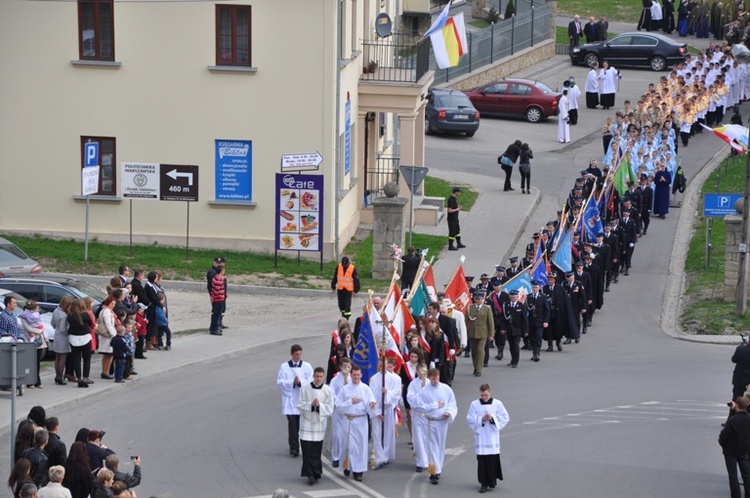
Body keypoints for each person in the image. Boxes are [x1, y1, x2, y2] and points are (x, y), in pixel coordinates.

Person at [334, 364, 377, 482]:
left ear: (361, 375)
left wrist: (372, 405)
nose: (356, 377)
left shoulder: (366, 389)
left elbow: (371, 403)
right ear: (351, 375)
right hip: (348, 420)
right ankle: (347, 465)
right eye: (354, 375)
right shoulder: (345, 389)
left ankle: (358, 471)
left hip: (361, 420)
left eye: (358, 375)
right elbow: (338, 405)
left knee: (360, 446)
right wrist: (350, 402)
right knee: (348, 445)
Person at [416, 368, 457, 485]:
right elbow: (419, 407)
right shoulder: (424, 391)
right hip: (430, 422)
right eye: (433, 379)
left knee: (440, 446)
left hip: (442, 422)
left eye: (437, 378)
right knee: (431, 446)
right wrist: (434, 406)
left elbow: (452, 404)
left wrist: (449, 412)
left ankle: (438, 468)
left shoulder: (446, 389)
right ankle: (433, 472)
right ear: (429, 378)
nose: (435, 381)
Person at [466, 384, 510, 494]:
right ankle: (483, 483)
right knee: (482, 461)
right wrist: (482, 418)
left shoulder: (497, 404)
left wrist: (493, 419)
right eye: (482, 395)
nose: (484, 397)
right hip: (481, 436)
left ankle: (492, 481)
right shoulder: (474, 404)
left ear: (490, 392)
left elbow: (505, 417)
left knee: (492, 459)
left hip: (492, 436)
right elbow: (470, 419)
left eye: (486, 395)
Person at [298, 366, 334, 485]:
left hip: (319, 424)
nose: (318, 379)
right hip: (307, 424)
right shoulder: (305, 388)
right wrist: (311, 405)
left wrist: (319, 406)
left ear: (323, 377)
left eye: (320, 376)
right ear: (313, 376)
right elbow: (300, 404)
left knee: (316, 450)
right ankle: (309, 474)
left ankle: (317, 472)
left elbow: (330, 408)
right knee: (307, 450)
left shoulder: (327, 390)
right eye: (316, 376)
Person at [277, 344, 314, 458]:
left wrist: (299, 382)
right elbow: (279, 382)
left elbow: (311, 380)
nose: (298, 356)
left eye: (300, 354)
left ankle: (303, 445)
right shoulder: (284, 367)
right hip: (289, 399)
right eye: (296, 354)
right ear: (291, 354)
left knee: (300, 423)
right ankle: (294, 447)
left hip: (302, 399)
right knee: (292, 422)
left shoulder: (307, 366)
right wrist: (292, 382)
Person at [369, 357, 402, 469]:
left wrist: (387, 393)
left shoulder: (395, 379)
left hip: (388, 409)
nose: (383, 368)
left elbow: (397, 394)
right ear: (378, 366)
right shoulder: (374, 379)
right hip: (377, 410)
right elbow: (371, 396)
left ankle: (386, 455)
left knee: (387, 433)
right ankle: (379, 455)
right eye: (380, 366)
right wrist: (378, 411)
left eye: (385, 365)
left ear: (388, 365)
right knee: (376, 433)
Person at [719, 396, 750, 498]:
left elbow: (723, 435)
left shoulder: (733, 420)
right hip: (744, 449)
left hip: (731, 450)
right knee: (746, 474)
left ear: (736, 405)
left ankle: (736, 495)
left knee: (733, 475)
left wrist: (723, 444)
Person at [329, 357, 352, 468]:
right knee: (337, 435)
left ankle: (346, 456)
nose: (346, 369)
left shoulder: (352, 379)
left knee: (347, 435)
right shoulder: (335, 380)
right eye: (344, 367)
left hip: (349, 412)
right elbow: (332, 394)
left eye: (348, 367)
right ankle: (336, 457)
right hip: (338, 411)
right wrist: (339, 402)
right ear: (340, 367)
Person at [465, 290, 494, 376]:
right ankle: (476, 367)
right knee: (474, 352)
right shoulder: (470, 308)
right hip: (472, 333)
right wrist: (463, 333)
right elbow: (466, 321)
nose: (477, 300)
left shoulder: (487, 308)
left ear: (482, 299)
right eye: (476, 299)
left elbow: (490, 322)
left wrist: (491, 334)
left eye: (479, 299)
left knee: (480, 351)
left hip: (483, 333)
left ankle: (479, 370)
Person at [19, 300, 47, 389]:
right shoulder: (24, 316)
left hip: (39, 340)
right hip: (30, 341)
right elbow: (28, 328)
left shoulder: (37, 315)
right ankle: (30, 382)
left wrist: (40, 331)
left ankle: (37, 381)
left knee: (37, 362)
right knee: (30, 362)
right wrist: (40, 331)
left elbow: (41, 325)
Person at [67, 300, 94, 388]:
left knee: (76, 359)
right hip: (85, 337)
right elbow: (90, 323)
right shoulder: (85, 315)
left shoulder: (70, 316)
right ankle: (86, 377)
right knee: (86, 359)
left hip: (73, 338)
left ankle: (79, 378)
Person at [500, 290, 529, 367]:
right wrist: (502, 328)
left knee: (516, 345)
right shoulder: (506, 305)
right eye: (511, 297)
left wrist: (526, 330)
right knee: (511, 345)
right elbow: (502, 318)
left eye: (514, 297)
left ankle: (515, 362)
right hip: (509, 329)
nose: (513, 298)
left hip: (518, 329)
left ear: (517, 297)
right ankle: (512, 360)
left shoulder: (521, 305)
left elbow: (524, 319)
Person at [51, 297, 73, 385]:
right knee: (62, 358)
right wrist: (70, 331)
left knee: (58, 357)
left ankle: (57, 375)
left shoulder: (56, 311)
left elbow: (52, 323)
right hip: (63, 337)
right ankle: (60, 377)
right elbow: (63, 329)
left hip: (56, 335)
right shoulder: (64, 315)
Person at [526, 281, 550, 362]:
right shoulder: (528, 297)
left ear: (539, 288)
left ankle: (537, 353)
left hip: (540, 321)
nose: (535, 289)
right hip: (531, 321)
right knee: (532, 337)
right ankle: (534, 352)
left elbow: (547, 310)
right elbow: (526, 309)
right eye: (533, 287)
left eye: (536, 287)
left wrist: (546, 321)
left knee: (538, 336)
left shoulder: (543, 297)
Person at [96, 296, 117, 380]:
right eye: (112, 304)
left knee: (106, 354)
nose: (113, 305)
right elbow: (108, 324)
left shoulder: (103, 310)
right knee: (109, 354)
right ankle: (106, 372)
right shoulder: (107, 311)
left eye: (114, 304)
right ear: (108, 303)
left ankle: (105, 371)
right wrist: (114, 334)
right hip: (108, 335)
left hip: (105, 335)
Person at [206, 256, 229, 330]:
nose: (219, 264)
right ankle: (215, 324)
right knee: (216, 310)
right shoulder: (212, 272)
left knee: (222, 309)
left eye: (221, 263)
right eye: (217, 263)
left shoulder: (220, 271)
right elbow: (215, 285)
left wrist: (225, 292)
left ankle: (219, 322)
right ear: (214, 262)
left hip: (221, 294)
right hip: (216, 295)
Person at [209, 264, 227, 336]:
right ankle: (214, 328)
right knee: (217, 314)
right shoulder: (219, 280)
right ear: (221, 271)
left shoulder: (215, 278)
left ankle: (214, 327)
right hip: (219, 300)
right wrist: (215, 296)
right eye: (223, 270)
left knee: (216, 314)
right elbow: (216, 291)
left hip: (218, 299)